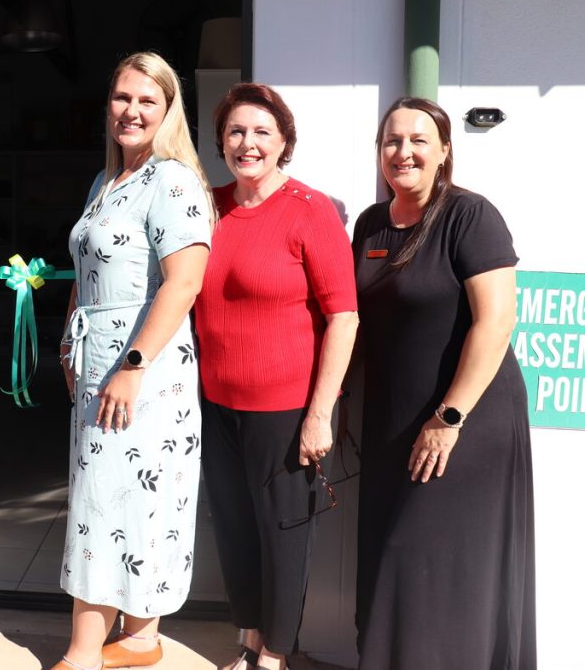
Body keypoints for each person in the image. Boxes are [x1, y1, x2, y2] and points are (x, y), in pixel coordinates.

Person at [351, 97, 535, 669]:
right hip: (391, 423)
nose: (403, 152)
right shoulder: (370, 224)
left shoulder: (469, 216)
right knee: (398, 564)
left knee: (438, 566)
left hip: (465, 423)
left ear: (444, 151)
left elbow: (497, 321)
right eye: (392, 140)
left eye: (418, 140)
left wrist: (449, 418)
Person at [54, 51, 213, 670]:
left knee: (111, 500)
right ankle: (141, 638)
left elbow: (184, 282)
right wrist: (69, 340)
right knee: (120, 499)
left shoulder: (173, 181)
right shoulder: (107, 180)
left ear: (169, 110)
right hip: (100, 361)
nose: (132, 110)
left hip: (142, 370)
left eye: (148, 100)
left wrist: (134, 365)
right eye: (123, 97)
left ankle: (83, 653)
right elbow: (87, 270)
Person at [192, 83, 358, 670]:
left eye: (262, 131)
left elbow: (343, 317)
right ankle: (251, 637)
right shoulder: (207, 207)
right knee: (235, 531)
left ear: (284, 141)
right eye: (236, 131)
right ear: (220, 142)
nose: (248, 143)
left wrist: (320, 414)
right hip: (216, 404)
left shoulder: (309, 210)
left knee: (284, 535)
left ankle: (275, 656)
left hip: (284, 411)